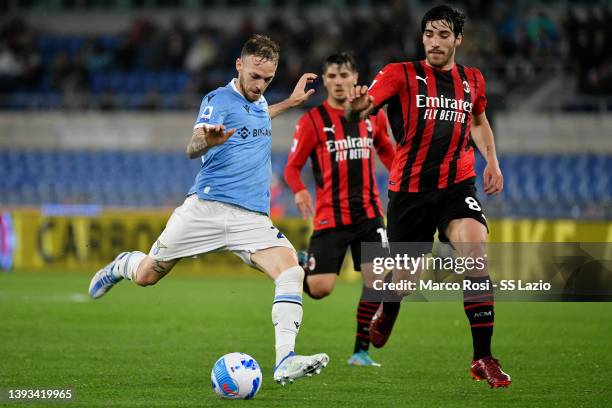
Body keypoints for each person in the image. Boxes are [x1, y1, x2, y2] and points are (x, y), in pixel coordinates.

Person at [88, 34, 329, 386]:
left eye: (268, 80)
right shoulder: (217, 99)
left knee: (290, 270)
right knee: (147, 276)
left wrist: (289, 101)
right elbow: (192, 146)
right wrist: (207, 140)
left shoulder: (258, 101)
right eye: (255, 77)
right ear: (239, 65)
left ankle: (285, 360)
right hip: (206, 209)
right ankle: (123, 263)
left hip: (252, 218)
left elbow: (261, 115)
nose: (260, 86)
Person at [347, 5, 511, 388]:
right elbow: (364, 107)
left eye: (442, 35)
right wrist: (357, 108)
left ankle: (482, 356)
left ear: (458, 39)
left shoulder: (473, 80)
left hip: (457, 186)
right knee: (405, 278)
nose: (434, 42)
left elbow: (478, 120)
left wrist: (493, 162)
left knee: (475, 250)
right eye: (428, 35)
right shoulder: (399, 74)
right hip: (410, 192)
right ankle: (388, 311)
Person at [284, 52, 395, 367]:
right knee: (320, 290)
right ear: (326, 81)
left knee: (377, 279)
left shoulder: (373, 115)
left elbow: (387, 151)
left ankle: (360, 351)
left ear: (355, 78)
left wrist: (403, 178)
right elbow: (292, 167)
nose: (337, 82)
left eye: (343, 75)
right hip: (330, 216)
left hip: (369, 214)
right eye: (331, 76)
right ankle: (302, 265)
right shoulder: (312, 121)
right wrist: (300, 190)